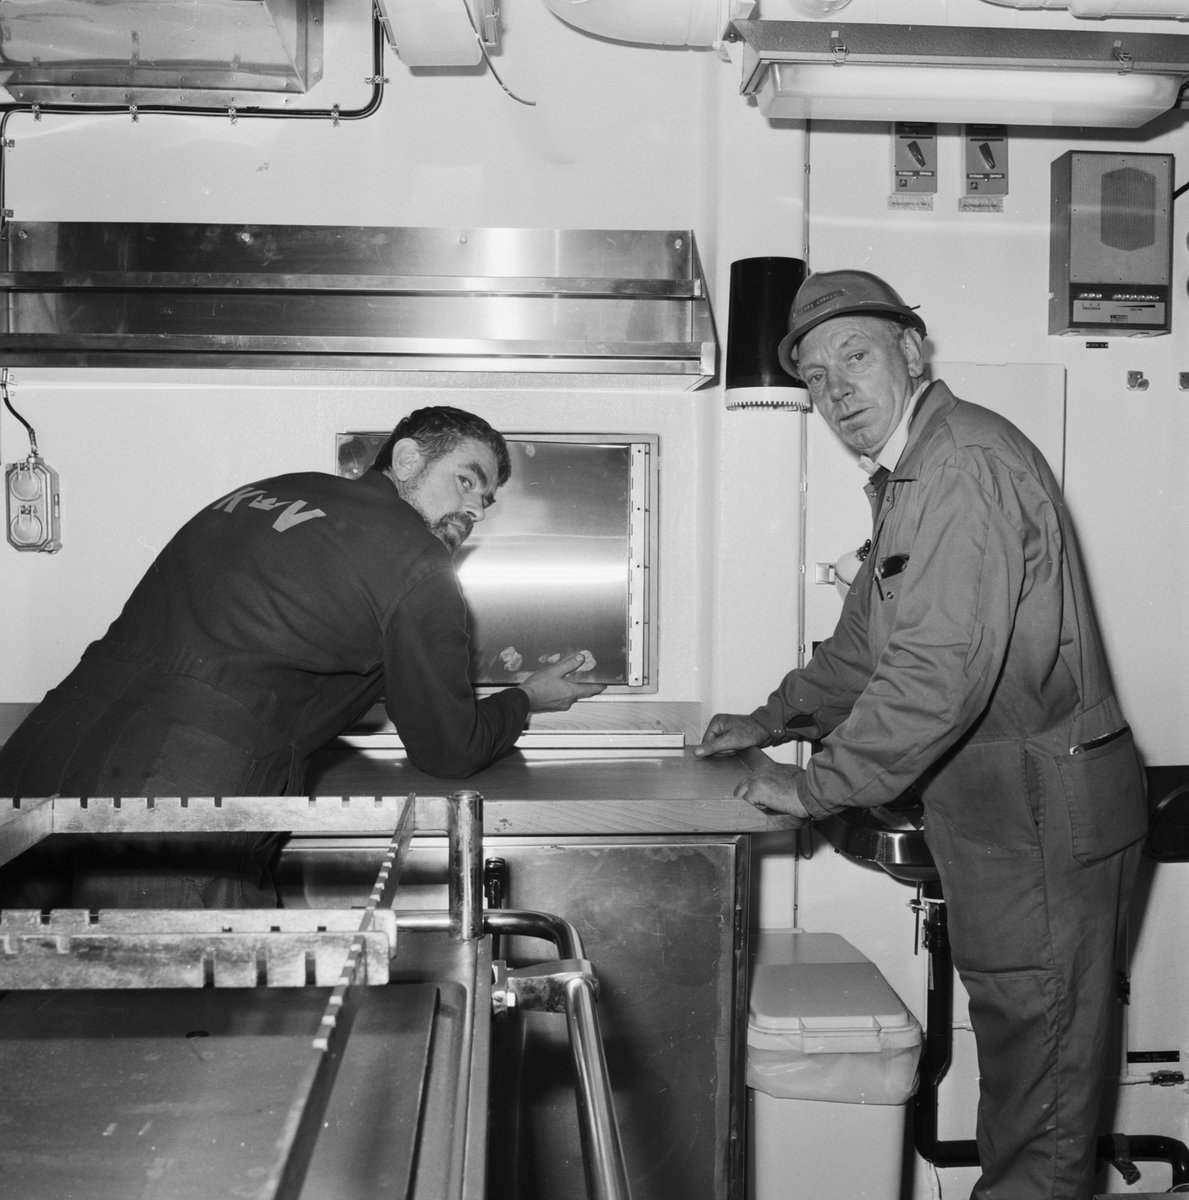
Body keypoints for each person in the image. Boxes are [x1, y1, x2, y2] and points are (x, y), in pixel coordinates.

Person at [696, 271, 1147, 1199]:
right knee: (1023, 1045)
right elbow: (860, 649)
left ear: (909, 349)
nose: (836, 391)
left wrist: (814, 788)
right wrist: (769, 717)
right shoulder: (909, 476)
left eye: (853, 356)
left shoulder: (959, 466)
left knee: (1042, 1068)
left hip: (1039, 803)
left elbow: (936, 671)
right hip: (999, 805)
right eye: (815, 377)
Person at [0, 405, 603, 907]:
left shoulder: (268, 492)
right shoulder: (419, 564)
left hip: (37, 757)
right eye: (466, 481)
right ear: (407, 460)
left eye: (486, 499)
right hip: (172, 796)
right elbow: (449, 749)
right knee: (174, 1009)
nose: (475, 510)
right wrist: (527, 698)